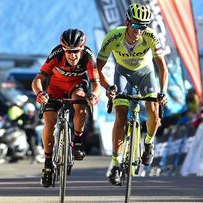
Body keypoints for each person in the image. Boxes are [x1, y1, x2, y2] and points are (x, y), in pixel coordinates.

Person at [96, 3, 169, 185]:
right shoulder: (114, 36)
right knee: (120, 116)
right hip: (123, 74)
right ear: (127, 22)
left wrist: (163, 92)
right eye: (136, 25)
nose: (139, 31)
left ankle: (149, 142)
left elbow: (162, 68)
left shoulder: (151, 36)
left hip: (146, 73)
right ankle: (115, 163)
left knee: (154, 112)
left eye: (143, 26)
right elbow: (98, 68)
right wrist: (108, 87)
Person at [31, 28, 100, 187]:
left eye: (76, 51)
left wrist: (95, 95)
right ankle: (48, 164)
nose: (72, 55)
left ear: (82, 48)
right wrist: (40, 93)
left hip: (76, 86)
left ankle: (77, 141)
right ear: (63, 49)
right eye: (68, 51)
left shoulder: (89, 58)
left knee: (80, 101)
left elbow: (96, 83)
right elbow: (38, 79)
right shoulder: (56, 55)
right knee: (49, 123)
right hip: (55, 86)